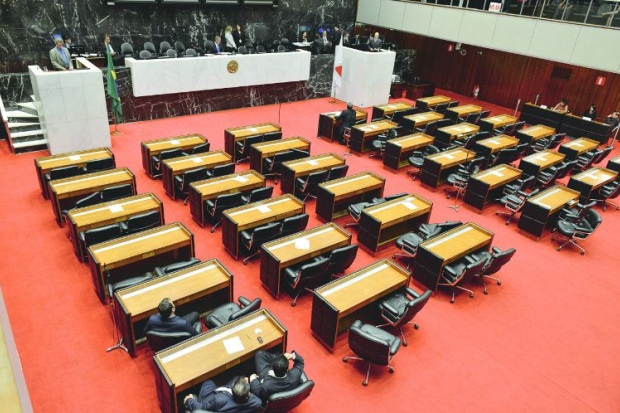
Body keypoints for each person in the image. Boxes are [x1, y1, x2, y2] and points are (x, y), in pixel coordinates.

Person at [184, 377, 262, 413]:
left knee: (208, 383)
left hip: (213, 402)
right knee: (237, 377)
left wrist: (189, 400)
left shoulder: (218, 399)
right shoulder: (257, 403)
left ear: (232, 389)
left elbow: (200, 409)